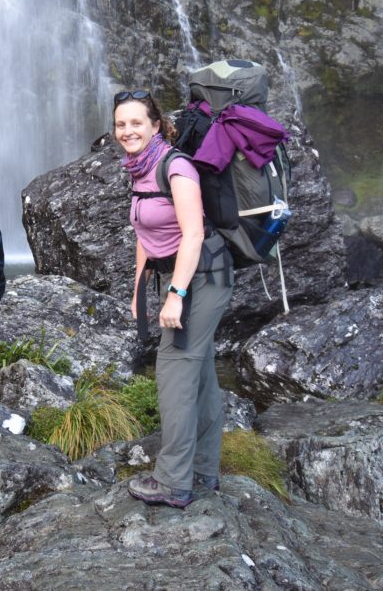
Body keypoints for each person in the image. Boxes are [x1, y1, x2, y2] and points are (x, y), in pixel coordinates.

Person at [114, 89, 234, 508]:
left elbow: (194, 234)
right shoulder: (139, 168)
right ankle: (203, 471)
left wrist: (176, 295)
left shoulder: (175, 166)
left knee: (175, 370)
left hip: (204, 276)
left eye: (135, 123)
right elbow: (146, 236)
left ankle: (173, 481)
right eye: (120, 124)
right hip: (183, 276)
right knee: (199, 375)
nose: (127, 130)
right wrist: (138, 292)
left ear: (154, 125)